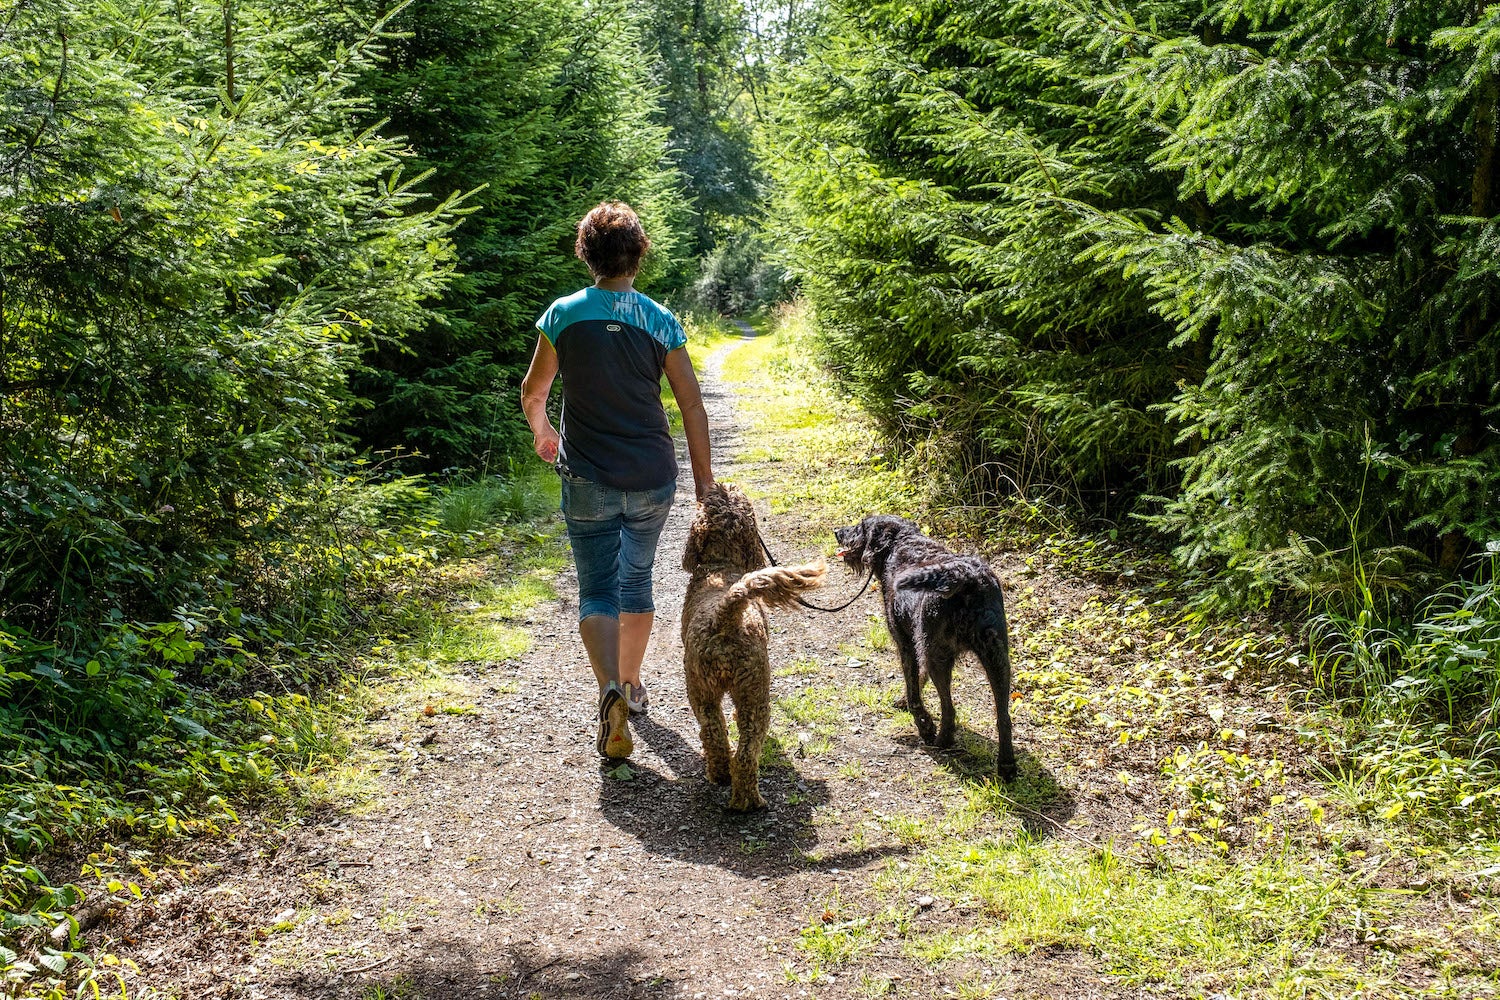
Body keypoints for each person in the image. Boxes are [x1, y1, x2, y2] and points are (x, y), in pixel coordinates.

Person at [520, 200, 714, 761]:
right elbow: (693, 407)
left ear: (587, 254)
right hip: (652, 477)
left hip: (585, 476)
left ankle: (607, 691)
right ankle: (630, 684)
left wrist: (543, 429)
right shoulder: (661, 320)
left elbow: (535, 394)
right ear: (638, 255)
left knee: (596, 589)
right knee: (637, 579)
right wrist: (704, 487)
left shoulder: (561, 315)